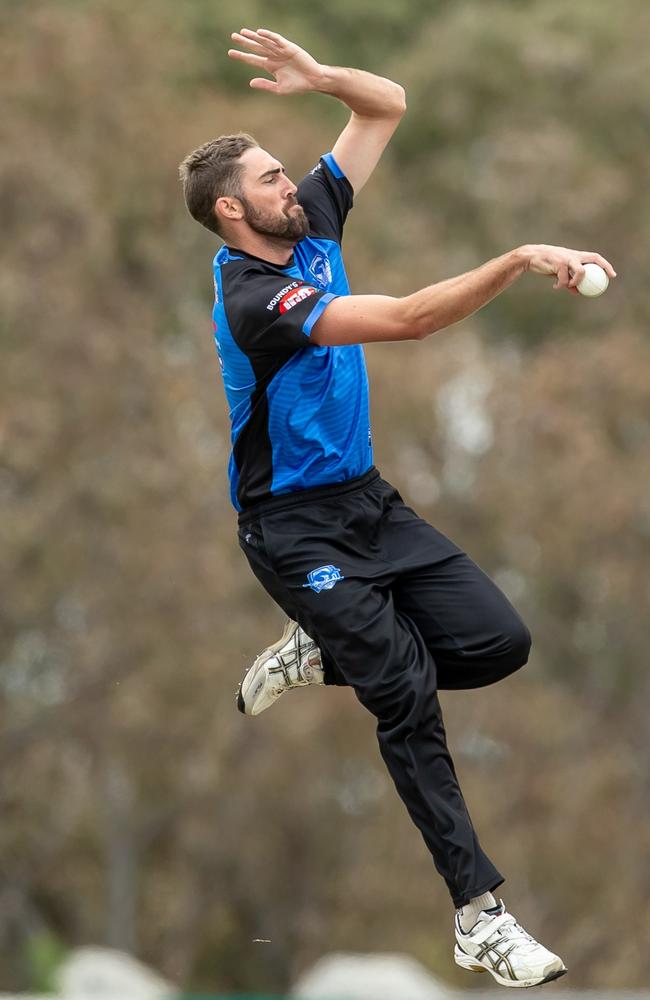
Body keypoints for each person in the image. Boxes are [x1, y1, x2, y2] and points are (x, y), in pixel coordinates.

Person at [179, 27, 615, 989]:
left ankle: (320, 651)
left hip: (369, 504)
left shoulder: (311, 221)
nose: (294, 184)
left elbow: (387, 104)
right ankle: (479, 915)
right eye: (271, 179)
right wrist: (517, 258)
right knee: (406, 693)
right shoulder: (256, 298)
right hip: (292, 530)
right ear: (229, 210)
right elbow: (413, 320)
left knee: (499, 642)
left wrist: (324, 78)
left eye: (289, 171)